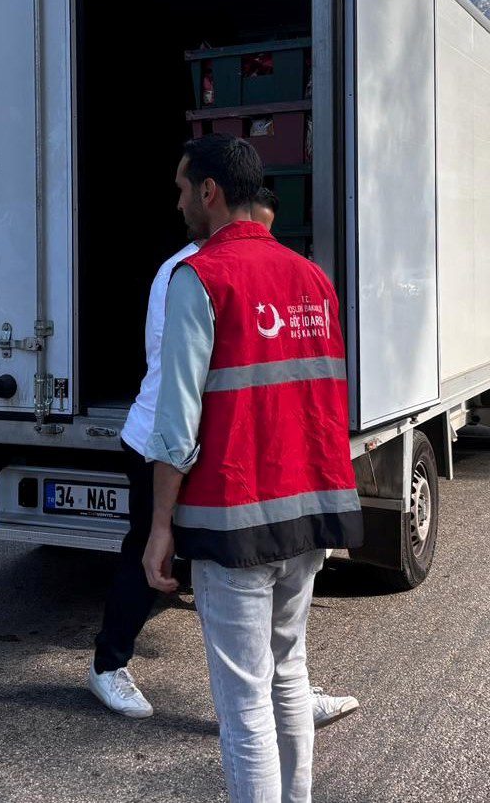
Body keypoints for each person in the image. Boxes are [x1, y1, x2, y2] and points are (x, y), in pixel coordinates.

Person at [89, 189, 360, 730]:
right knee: (151, 556)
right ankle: (108, 665)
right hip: (164, 442)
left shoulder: (273, 272)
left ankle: (288, 688)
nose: (264, 239)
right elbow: (179, 386)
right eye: (259, 225)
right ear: (232, 208)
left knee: (260, 576)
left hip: (218, 445)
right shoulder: (188, 274)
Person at [143, 136, 363, 802]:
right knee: (288, 674)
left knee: (243, 706)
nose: (179, 202)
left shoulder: (200, 277)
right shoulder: (311, 278)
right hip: (308, 510)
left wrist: (160, 525)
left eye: (183, 189)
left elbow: (176, 424)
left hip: (233, 517)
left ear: (209, 192)